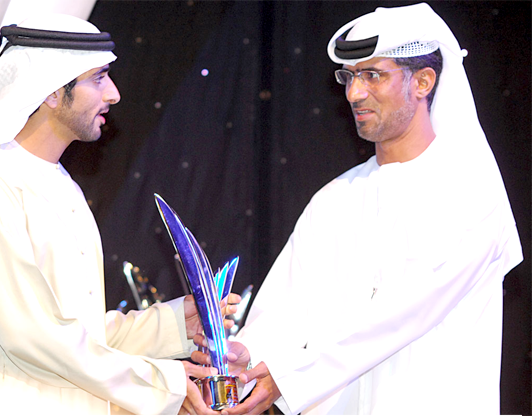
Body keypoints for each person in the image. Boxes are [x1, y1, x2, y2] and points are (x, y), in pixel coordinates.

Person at [192, 3, 522, 415]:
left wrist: (289, 377)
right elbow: (287, 309)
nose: (354, 93)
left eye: (373, 75)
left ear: (423, 81)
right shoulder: (336, 198)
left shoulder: (469, 191)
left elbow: (402, 314)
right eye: (349, 76)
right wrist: (247, 356)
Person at [0, 14, 236, 415]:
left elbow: (80, 335)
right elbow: (33, 336)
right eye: (99, 78)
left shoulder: (61, 185)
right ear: (53, 90)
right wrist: (165, 385)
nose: (114, 94)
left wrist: (174, 325)